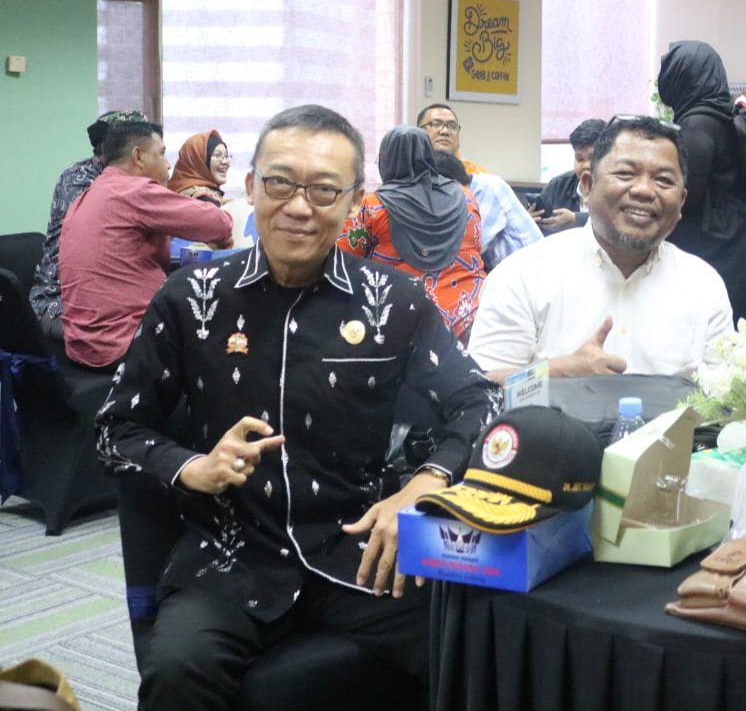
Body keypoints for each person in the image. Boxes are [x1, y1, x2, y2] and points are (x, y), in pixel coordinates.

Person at [96, 105, 498, 711]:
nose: (300, 207)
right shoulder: (190, 298)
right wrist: (193, 467)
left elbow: (479, 399)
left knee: (480, 636)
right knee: (178, 671)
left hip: (361, 546)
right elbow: (115, 428)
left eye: (324, 190)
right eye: (281, 183)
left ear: (355, 201)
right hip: (230, 554)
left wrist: (425, 485)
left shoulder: (394, 302)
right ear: (252, 186)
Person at [467, 115, 733, 380]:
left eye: (663, 180)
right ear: (587, 185)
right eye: (626, 174)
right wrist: (559, 371)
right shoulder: (523, 275)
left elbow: (725, 392)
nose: (644, 190)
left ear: (681, 201)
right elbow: (482, 387)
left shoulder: (704, 285)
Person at [58, 121, 233, 369]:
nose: (168, 164)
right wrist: (223, 235)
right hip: (126, 345)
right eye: (161, 154)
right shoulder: (133, 190)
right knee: (231, 334)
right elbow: (218, 224)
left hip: (81, 348)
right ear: (138, 157)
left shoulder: (87, 196)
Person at [658, 40, 746, 322]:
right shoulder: (729, 114)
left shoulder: (695, 127)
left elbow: (685, 197)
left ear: (683, 76)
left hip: (727, 253)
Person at [339, 126, 487, 340]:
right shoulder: (466, 197)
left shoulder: (370, 207)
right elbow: (477, 247)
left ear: (386, 161)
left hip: (400, 324)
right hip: (473, 320)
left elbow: (342, 263)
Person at [30, 109, 148, 338]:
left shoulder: (129, 180)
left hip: (107, 299)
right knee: (150, 335)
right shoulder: (79, 179)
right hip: (61, 304)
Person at [431, 150, 542, 269]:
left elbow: (467, 246)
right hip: (512, 270)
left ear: (451, 184)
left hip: (533, 269)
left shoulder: (488, 188)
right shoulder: (468, 192)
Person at [532, 118, 603, 234]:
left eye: (592, 158)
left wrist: (577, 219)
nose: (586, 165)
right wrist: (530, 220)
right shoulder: (558, 186)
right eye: (579, 159)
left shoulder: (617, 187)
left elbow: (616, 224)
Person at [416, 103, 484, 175]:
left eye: (452, 126)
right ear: (419, 132)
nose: (445, 131)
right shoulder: (409, 171)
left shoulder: (477, 175)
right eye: (436, 124)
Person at [168, 130, 231, 205]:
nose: (225, 162)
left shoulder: (174, 193)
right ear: (197, 160)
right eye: (217, 155)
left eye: (226, 156)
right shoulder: (203, 200)